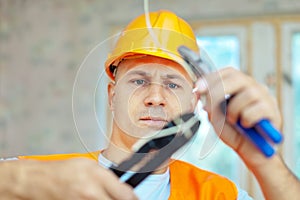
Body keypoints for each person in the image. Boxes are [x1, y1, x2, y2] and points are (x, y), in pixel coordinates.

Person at [1, 10, 300, 200]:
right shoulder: (38, 180)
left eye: (172, 84)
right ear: (112, 95)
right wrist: (19, 181)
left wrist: (263, 160)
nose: (155, 97)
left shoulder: (218, 194)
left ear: (194, 101)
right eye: (139, 80)